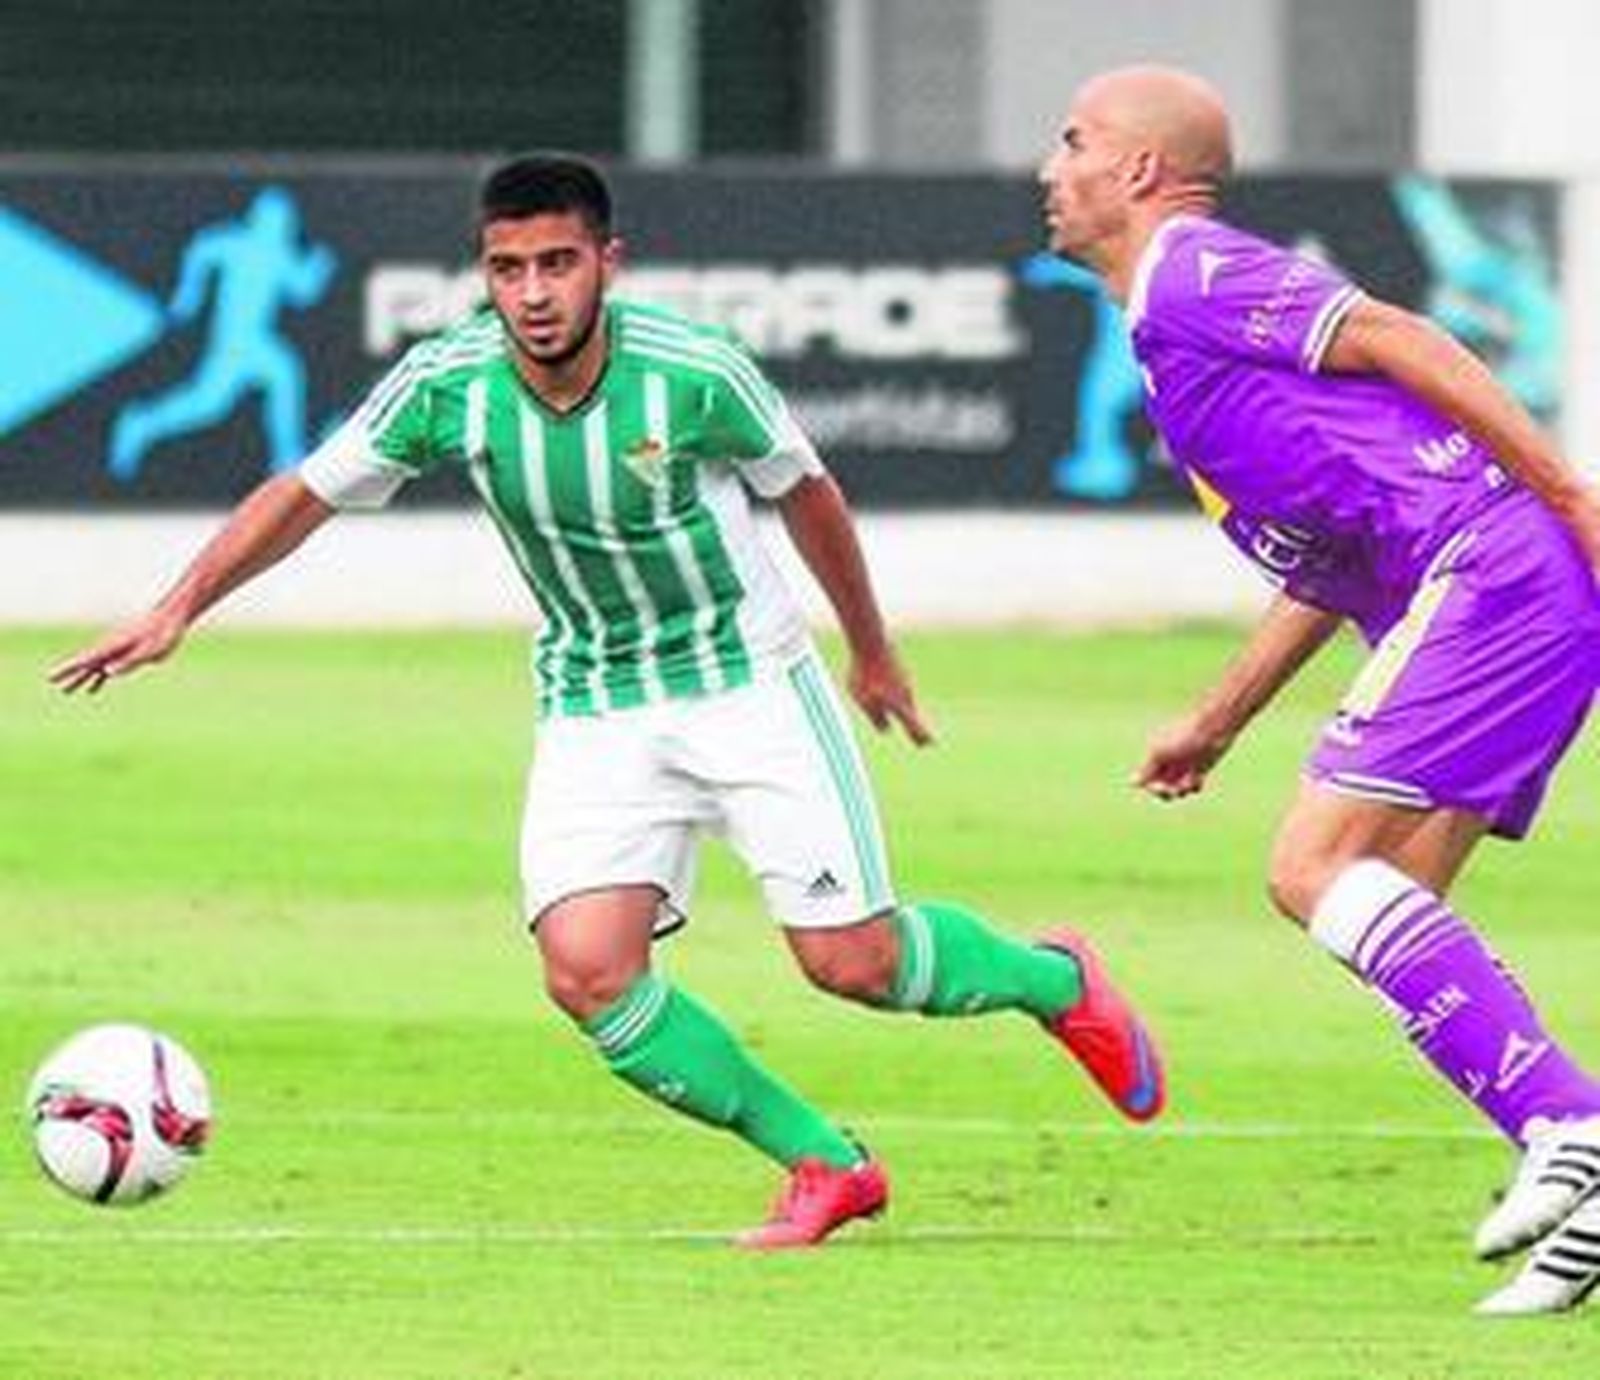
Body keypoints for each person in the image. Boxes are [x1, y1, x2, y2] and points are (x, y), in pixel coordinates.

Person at [54, 154, 1164, 1249]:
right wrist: (177, 609)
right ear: (483, 276)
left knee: (851, 965)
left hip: (749, 685)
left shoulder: (693, 371)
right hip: (595, 702)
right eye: (507, 269)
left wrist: (870, 653)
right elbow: (304, 494)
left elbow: (808, 494)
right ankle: (826, 1162)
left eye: (557, 264)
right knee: (588, 974)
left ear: (607, 265)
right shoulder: (450, 385)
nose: (533, 294)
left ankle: (1050, 978)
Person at [1037, 63, 1600, 1314]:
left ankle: (1573, 1127)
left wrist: (1567, 494)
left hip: (1495, 563)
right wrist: (1218, 718)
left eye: (1071, 141)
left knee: (1310, 865)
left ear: (1136, 170)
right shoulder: (1168, 334)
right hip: (1517, 584)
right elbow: (1337, 564)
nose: (1048, 168)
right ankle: (1567, 1171)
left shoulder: (1188, 265)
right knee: (1388, 897)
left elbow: (1396, 334)